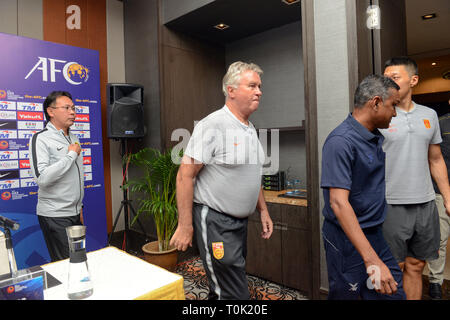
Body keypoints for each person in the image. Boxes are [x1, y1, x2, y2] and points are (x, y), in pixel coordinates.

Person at [170, 61, 273, 300]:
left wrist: (264, 210)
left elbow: (252, 173)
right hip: (216, 222)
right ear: (231, 90)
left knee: (222, 287)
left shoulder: (249, 128)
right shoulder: (213, 125)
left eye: (259, 86)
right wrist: (185, 225)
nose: (259, 91)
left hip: (240, 224)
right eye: (252, 85)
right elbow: (185, 175)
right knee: (233, 294)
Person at [321, 74, 405, 300]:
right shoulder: (341, 141)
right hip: (346, 239)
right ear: (376, 102)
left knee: (392, 293)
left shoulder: (373, 136)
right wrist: (371, 259)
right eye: (393, 106)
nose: (395, 113)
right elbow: (338, 203)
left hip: (374, 234)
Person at [380, 57, 450, 300]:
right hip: (391, 203)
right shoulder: (379, 114)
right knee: (393, 268)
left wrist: (448, 198)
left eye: (395, 77)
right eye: (385, 77)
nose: (388, 82)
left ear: (414, 80)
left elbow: (436, 159)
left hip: (425, 203)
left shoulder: (429, 114)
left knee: (416, 266)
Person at [29, 91, 84, 262]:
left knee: (79, 261)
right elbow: (42, 178)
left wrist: (79, 208)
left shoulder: (73, 138)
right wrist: (70, 156)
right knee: (67, 264)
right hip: (55, 215)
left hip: (74, 212)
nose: (72, 112)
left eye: (73, 108)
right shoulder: (41, 139)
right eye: (66, 108)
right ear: (51, 111)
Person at [427, 110, 450, 300]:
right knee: (440, 240)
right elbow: (432, 159)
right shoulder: (439, 124)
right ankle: (435, 284)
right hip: (442, 191)